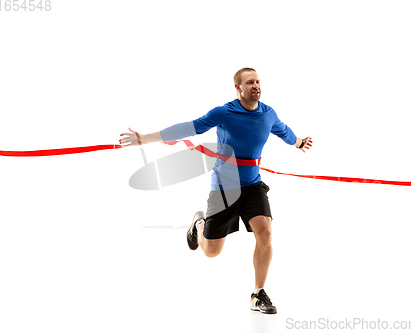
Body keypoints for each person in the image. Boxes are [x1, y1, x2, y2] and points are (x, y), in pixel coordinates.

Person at [120, 68, 313, 314]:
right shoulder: (225, 112)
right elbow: (189, 128)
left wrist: (298, 143)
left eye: (258, 81)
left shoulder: (268, 114)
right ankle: (198, 224)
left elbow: (284, 132)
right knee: (212, 251)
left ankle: (257, 294)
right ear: (238, 88)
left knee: (265, 232)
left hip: (253, 185)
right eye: (250, 82)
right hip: (225, 187)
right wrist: (144, 138)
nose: (256, 85)